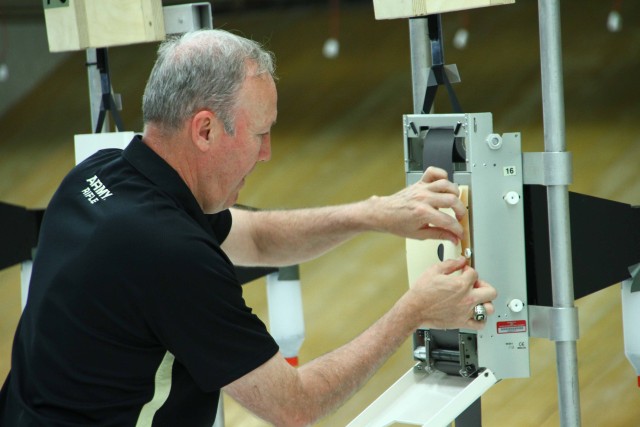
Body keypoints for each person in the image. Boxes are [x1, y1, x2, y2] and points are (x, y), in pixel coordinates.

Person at [0, 29, 497, 426]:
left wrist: (375, 213)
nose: (267, 152)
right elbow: (294, 405)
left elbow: (256, 237)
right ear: (205, 129)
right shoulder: (170, 253)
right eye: (260, 133)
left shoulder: (99, 174)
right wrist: (414, 312)